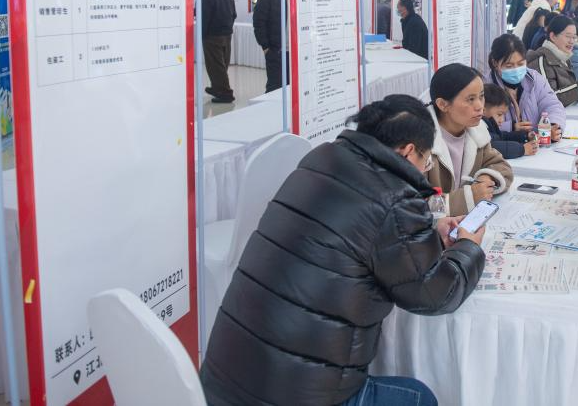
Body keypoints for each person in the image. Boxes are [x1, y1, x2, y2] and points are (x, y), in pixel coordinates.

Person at [201, 94, 486, 406]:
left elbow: (355, 236)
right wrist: (467, 247)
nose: (424, 168)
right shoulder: (395, 198)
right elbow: (434, 295)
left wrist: (430, 232)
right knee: (419, 398)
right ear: (407, 151)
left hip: (224, 382)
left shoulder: (320, 160)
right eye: (426, 160)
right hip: (298, 396)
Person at [426, 64, 513, 215]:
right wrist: (468, 197)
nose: (480, 106)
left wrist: (487, 177)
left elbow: (501, 165)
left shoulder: (476, 133)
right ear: (443, 104)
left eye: (481, 96)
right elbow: (410, 207)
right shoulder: (420, 143)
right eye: (470, 99)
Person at [486, 33, 566, 142]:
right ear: (495, 63)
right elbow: (481, 125)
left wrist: (552, 125)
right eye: (509, 66)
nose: (516, 69)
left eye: (520, 64)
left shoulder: (534, 79)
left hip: (536, 145)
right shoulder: (486, 87)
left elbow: (552, 104)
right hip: (504, 148)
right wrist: (511, 127)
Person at [527, 15, 578, 106]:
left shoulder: (563, 57)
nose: (572, 41)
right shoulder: (542, 61)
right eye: (568, 36)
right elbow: (548, 98)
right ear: (553, 36)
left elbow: (567, 90)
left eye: (574, 37)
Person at [201, 0, 237, 103]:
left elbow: (205, 17)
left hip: (212, 36)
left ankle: (226, 93)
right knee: (222, 63)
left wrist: (203, 34)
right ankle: (217, 88)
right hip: (226, 34)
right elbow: (233, 15)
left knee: (215, 65)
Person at [482, 83, 537, 159]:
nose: (502, 120)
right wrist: (522, 149)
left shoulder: (490, 127)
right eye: (499, 114)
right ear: (483, 110)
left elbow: (503, 136)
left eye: (503, 115)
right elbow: (494, 146)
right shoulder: (479, 128)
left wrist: (525, 136)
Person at [252, 0, 287, 93]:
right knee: (275, 86)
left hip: (296, 53)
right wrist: (266, 47)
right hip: (276, 51)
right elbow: (259, 24)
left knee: (292, 86)